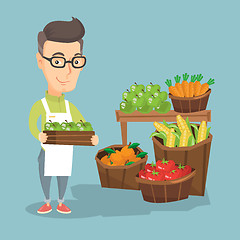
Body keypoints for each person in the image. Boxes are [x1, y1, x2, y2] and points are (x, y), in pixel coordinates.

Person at [29, 17, 99, 214]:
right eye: (58, 61)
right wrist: (39, 135)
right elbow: (31, 123)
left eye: (75, 61)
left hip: (66, 150)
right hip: (47, 149)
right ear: (41, 62)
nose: (69, 71)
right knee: (45, 173)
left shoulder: (70, 107)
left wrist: (91, 137)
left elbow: (83, 124)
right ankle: (46, 200)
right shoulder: (40, 105)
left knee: (63, 175)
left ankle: (61, 201)